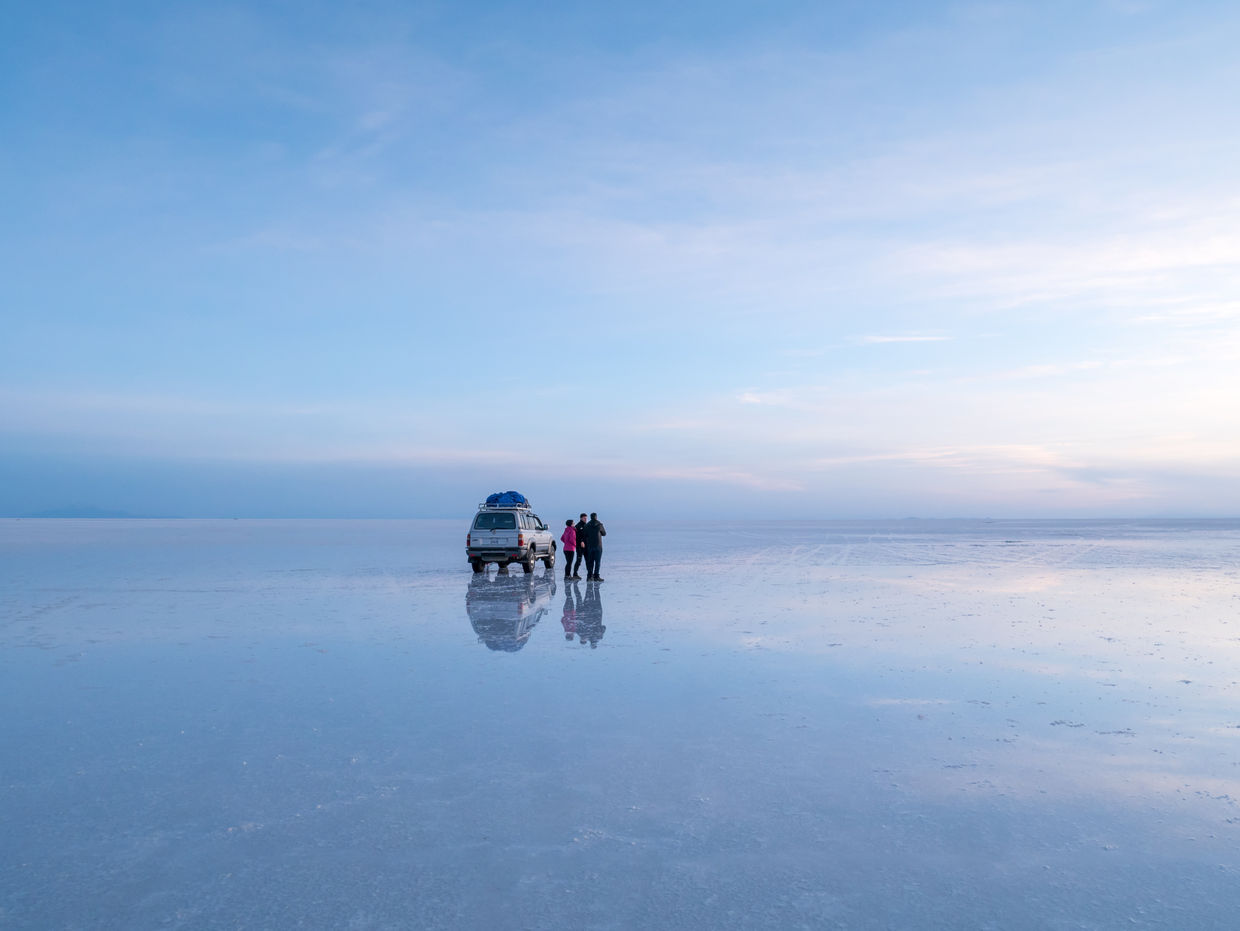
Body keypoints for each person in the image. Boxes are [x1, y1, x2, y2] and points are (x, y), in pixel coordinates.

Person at [583, 512, 606, 581]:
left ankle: (589, 576)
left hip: (590, 546)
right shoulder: (599, 525)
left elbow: (585, 535)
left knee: (590, 562)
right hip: (598, 546)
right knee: (597, 562)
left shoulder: (587, 525)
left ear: (590, 517)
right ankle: (596, 576)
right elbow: (604, 533)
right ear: (596, 517)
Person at [572, 513, 588, 579]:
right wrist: (581, 541)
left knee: (588, 560)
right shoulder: (578, 526)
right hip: (579, 546)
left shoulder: (587, 525)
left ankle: (590, 573)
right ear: (581, 518)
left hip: (586, 546)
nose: (585, 519)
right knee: (579, 560)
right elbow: (577, 536)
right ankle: (575, 574)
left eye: (586, 518)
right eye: (584, 518)